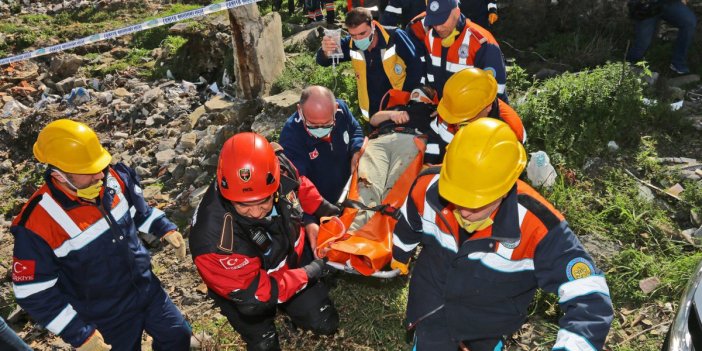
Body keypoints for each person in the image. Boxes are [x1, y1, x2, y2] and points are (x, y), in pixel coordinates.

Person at [391, 118, 614, 350]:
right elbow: (410, 221)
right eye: (456, 198)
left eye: (476, 203)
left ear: (504, 188)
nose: (464, 211)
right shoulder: (427, 187)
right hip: (431, 310)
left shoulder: (538, 227)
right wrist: (400, 252)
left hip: (488, 326)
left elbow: (590, 297)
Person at [10, 119, 191, 351]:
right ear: (59, 175)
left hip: (147, 291)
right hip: (106, 317)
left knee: (178, 336)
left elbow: (137, 210)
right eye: (88, 172)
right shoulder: (37, 223)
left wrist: (163, 227)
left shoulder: (112, 177)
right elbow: (32, 292)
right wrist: (79, 334)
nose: (99, 176)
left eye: (99, 167)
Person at [189, 133, 340, 351]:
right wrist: (308, 273)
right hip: (249, 294)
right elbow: (257, 293)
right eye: (243, 205)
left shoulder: (276, 165)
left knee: (325, 323)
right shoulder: (214, 242)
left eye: (264, 201)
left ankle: (298, 309)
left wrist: (325, 208)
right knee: (264, 343)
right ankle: (262, 332)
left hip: (289, 260)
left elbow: (299, 186)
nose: (256, 212)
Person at [348, 85, 439, 230]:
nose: (418, 91)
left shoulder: (434, 111)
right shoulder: (397, 107)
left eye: (425, 90)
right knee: (367, 182)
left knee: (395, 187)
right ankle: (358, 229)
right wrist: (391, 115)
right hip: (381, 139)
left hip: (412, 139)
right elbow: (373, 120)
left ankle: (384, 232)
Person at [317, 7, 424, 119]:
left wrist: (405, 99)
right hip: (373, 114)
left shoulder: (395, 37)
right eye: (353, 35)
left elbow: (417, 67)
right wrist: (325, 51)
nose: (358, 39)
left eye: (363, 33)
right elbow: (323, 61)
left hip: (400, 109)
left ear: (372, 25)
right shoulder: (351, 43)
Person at [279, 86, 364, 206]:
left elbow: (355, 129)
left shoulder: (342, 111)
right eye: (312, 124)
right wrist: (319, 212)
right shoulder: (291, 137)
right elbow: (297, 184)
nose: (320, 129)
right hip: (320, 205)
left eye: (327, 123)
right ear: (300, 110)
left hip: (350, 190)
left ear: (335, 108)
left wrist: (356, 151)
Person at [424, 67, 525, 164]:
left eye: (464, 119)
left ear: (488, 107)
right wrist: (429, 164)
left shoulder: (510, 132)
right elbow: (434, 139)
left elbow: (501, 173)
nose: (456, 124)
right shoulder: (452, 108)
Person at [414, 0, 507, 101]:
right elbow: (432, 82)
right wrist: (424, 94)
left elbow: (495, 95)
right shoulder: (430, 38)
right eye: (434, 21)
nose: (438, 28)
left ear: (456, 13)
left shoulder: (482, 43)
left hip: (478, 112)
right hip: (446, 109)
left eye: (442, 20)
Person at [626, 0, 697, 75]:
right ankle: (629, 65)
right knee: (643, 42)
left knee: (689, 22)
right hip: (646, 4)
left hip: (669, 3)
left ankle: (678, 63)